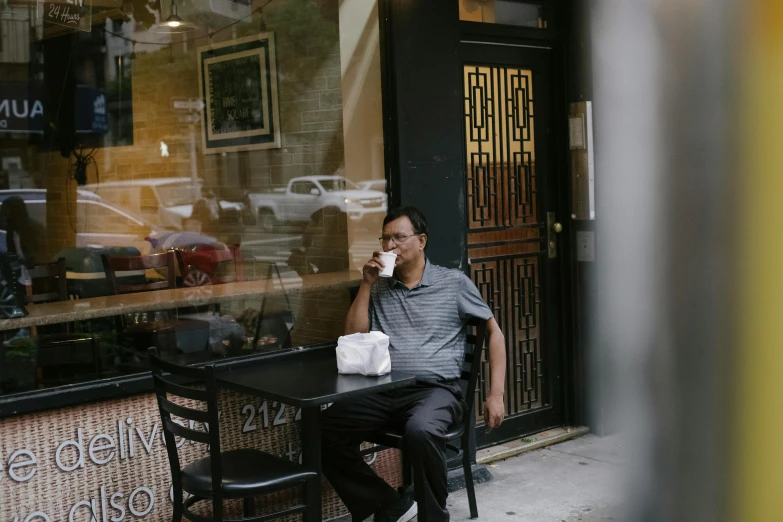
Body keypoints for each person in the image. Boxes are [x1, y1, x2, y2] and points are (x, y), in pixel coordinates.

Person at [321, 206, 507, 522]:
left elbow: (494, 331)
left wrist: (496, 395)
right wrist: (366, 284)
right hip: (385, 390)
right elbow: (352, 336)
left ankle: (433, 517)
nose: (390, 245)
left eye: (399, 238)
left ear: (421, 241)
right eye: (385, 239)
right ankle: (388, 504)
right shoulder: (378, 286)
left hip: (437, 391)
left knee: (420, 431)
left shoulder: (453, 283)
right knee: (322, 429)